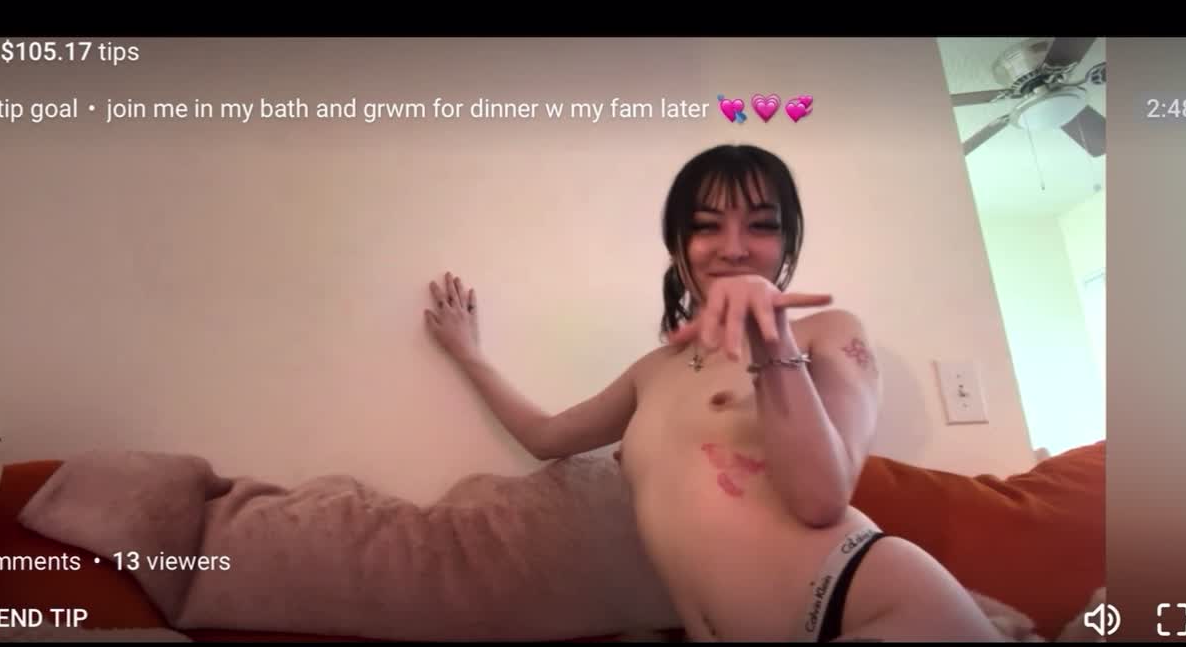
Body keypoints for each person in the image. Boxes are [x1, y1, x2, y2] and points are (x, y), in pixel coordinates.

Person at [423, 144, 1008, 642]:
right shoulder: (651, 372)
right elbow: (545, 436)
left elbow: (820, 501)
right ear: (678, 244)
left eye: (762, 224)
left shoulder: (827, 333)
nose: (733, 247)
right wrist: (468, 353)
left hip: (870, 604)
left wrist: (768, 334)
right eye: (706, 225)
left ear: (788, 243)